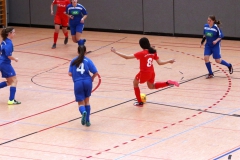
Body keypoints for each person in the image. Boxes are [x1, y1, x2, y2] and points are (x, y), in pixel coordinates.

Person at [111, 37, 179, 106]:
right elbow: (160, 63)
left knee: (135, 83)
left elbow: (127, 57)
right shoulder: (153, 51)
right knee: (151, 86)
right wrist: (169, 61)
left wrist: (115, 51)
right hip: (151, 72)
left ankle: (140, 102)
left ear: (141, 45)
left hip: (144, 73)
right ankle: (167, 83)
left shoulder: (142, 53)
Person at [68, 45, 98, 126]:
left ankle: (83, 112)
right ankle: (88, 121)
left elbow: (70, 73)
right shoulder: (88, 60)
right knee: (87, 101)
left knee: (81, 103)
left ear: (77, 52)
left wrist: (75, 74)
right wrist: (92, 78)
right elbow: (96, 72)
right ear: (85, 52)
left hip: (78, 82)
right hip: (88, 82)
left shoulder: (73, 61)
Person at [0, 27, 21, 105]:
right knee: (14, 80)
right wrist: (15, 59)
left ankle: (11, 99)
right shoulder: (9, 43)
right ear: (9, 33)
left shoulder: (3, 42)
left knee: (9, 82)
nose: (14, 34)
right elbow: (8, 55)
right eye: (14, 32)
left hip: (2, 62)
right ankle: (11, 100)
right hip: (5, 64)